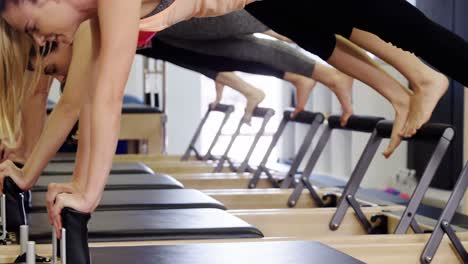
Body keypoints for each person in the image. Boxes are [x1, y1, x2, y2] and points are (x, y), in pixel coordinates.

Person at [4, 0, 457, 236]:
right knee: (331, 34)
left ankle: (422, 79)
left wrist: (85, 196)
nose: (41, 39)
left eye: (34, 27)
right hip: (263, 1)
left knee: (404, 28)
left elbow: (104, 99)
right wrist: (71, 187)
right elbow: (88, 101)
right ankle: (405, 88)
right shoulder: (94, 21)